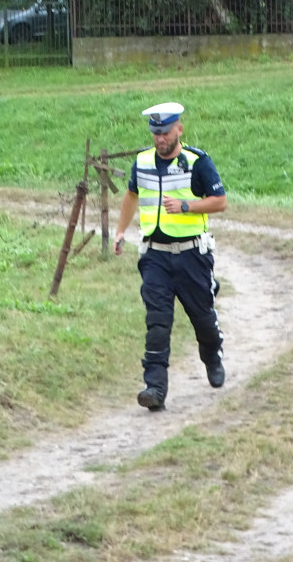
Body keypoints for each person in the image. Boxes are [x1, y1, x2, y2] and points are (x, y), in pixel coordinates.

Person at [113, 102, 227, 411]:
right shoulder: (143, 162)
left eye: (165, 133)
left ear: (179, 129)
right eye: (155, 134)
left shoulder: (198, 162)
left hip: (192, 255)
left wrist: (186, 206)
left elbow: (220, 202)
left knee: (202, 318)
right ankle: (154, 387)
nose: (160, 139)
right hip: (155, 257)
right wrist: (121, 231)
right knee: (158, 322)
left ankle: (212, 354)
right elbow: (132, 195)